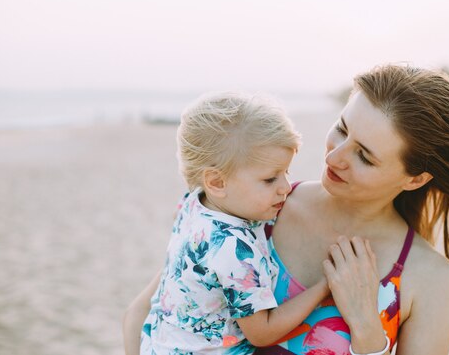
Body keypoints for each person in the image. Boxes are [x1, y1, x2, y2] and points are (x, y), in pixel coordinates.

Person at [124, 65, 449, 355]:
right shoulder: (255, 207)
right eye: (341, 129)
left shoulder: (427, 279)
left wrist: (368, 332)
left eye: (365, 157)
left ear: (415, 178)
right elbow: (146, 311)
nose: (334, 158)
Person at [137, 92, 330, 355]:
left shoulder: (192, 202)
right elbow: (262, 332)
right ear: (217, 182)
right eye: (270, 179)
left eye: (286, 173)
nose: (285, 187)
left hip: (159, 344)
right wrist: (323, 287)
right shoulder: (233, 247)